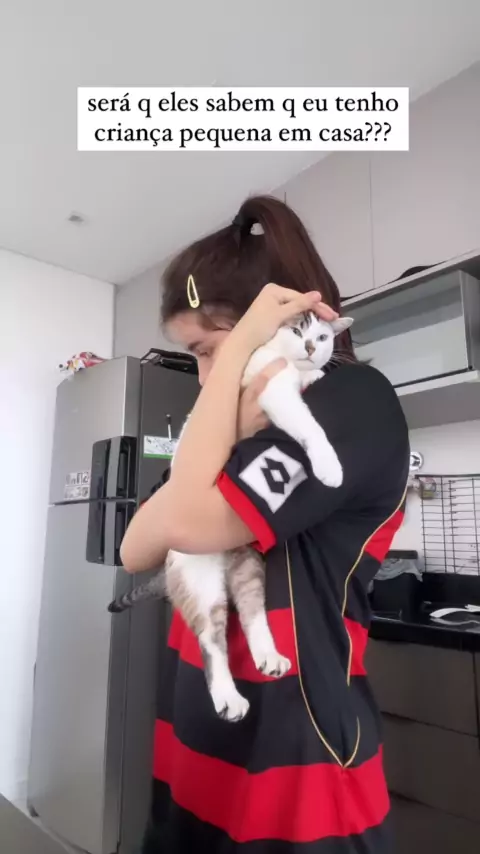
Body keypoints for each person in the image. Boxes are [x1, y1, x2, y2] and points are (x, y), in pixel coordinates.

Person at [121, 196, 410, 853]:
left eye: (208, 350)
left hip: (294, 775)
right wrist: (226, 412)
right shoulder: (220, 433)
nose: (204, 377)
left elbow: (184, 524)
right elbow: (135, 546)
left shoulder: (352, 402)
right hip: (192, 750)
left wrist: (234, 381)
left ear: (270, 322)